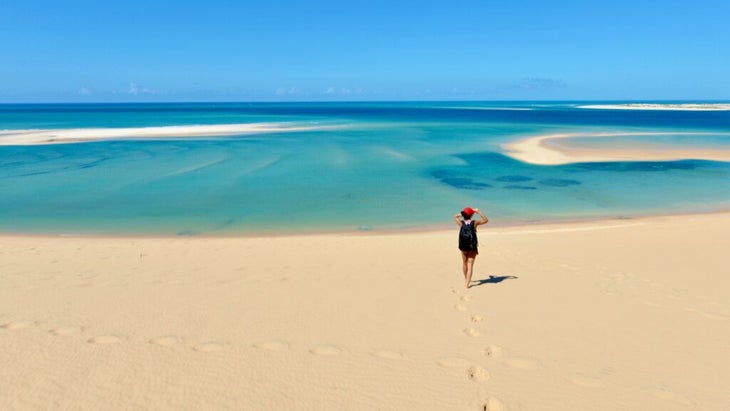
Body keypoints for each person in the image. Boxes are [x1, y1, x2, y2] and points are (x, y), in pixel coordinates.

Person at [454, 206, 488, 288]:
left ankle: (466, 279)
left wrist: (463, 214)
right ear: (471, 215)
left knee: (464, 263)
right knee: (470, 265)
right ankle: (467, 284)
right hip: (472, 247)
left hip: (463, 247)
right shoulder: (474, 223)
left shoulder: (461, 223)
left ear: (464, 215)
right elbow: (486, 220)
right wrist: (478, 211)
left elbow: (455, 216)